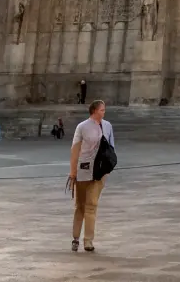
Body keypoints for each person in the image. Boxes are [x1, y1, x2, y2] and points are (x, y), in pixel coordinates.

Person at [69, 99, 115, 252]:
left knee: (92, 205)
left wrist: (108, 168)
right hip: (83, 170)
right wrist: (72, 171)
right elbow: (75, 149)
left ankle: (88, 240)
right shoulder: (82, 127)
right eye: (102, 110)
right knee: (80, 206)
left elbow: (111, 147)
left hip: (100, 172)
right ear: (94, 110)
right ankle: (75, 237)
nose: (104, 112)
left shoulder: (107, 126)